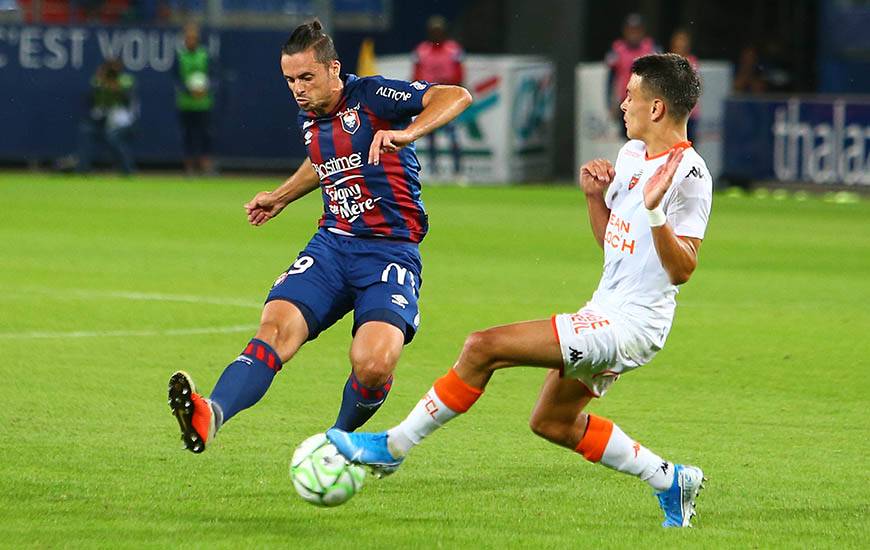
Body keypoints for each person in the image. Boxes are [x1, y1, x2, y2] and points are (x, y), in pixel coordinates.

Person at [328, 53, 712, 529]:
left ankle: (393, 447)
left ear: (657, 109)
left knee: (483, 346)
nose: (622, 103)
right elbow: (616, 245)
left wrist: (656, 212)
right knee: (551, 422)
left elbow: (683, 270)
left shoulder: (691, 175)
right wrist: (595, 199)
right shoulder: (632, 155)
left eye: (631, 95)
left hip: (633, 324)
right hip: (606, 307)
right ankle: (671, 479)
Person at [167, 20, 472, 454]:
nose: (298, 88)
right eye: (290, 80)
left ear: (334, 68)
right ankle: (211, 412)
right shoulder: (309, 115)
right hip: (331, 247)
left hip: (389, 253)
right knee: (274, 330)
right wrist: (282, 197)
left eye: (306, 77)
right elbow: (323, 158)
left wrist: (406, 132)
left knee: (373, 364)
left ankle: (337, 440)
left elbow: (455, 95)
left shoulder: (372, 95)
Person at [412, 15, 464, 177]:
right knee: (430, 135)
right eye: (434, 31)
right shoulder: (422, 50)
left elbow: (459, 73)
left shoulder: (453, 49)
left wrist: (449, 86)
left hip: (448, 97)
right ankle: (434, 170)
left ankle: (457, 171)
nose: (436, 34)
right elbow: (416, 74)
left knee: (453, 135)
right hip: (429, 97)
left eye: (439, 31)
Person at [73, 58, 137, 175]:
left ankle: (128, 171)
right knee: (86, 130)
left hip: (122, 122)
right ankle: (82, 169)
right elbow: (91, 102)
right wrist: (101, 84)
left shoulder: (126, 81)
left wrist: (117, 89)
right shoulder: (99, 80)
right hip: (101, 121)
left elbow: (128, 102)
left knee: (113, 138)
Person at [175, 22, 215, 176]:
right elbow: (176, 79)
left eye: (193, 38)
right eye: (188, 38)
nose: (191, 41)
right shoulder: (180, 56)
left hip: (204, 103)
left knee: (205, 135)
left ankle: (205, 166)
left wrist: (205, 89)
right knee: (188, 135)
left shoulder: (205, 55)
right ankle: (189, 167)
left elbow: (213, 76)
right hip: (185, 103)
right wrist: (188, 90)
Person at [606, 13, 658, 122]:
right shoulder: (618, 50)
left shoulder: (650, 48)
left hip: (646, 101)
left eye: (637, 30)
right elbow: (611, 80)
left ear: (643, 31)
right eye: (631, 30)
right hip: (625, 101)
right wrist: (610, 103)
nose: (634, 34)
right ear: (625, 31)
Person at [668, 28, 700, 142]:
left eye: (683, 43)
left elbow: (697, 86)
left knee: (688, 144)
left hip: (689, 114)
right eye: (678, 43)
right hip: (672, 114)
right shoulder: (668, 63)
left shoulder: (692, 62)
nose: (681, 46)